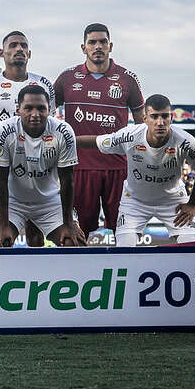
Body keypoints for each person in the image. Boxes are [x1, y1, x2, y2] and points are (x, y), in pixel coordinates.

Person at [76, 94, 195, 246]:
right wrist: (68, 141)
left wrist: (192, 204)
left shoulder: (186, 142)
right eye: (154, 117)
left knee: (190, 246)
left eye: (165, 116)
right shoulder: (129, 136)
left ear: (171, 118)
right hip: (135, 201)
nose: (160, 122)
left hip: (172, 201)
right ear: (145, 118)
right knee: (124, 250)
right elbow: (96, 141)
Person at [54, 23, 144, 239]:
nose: (98, 46)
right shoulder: (67, 78)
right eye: (92, 42)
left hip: (118, 168)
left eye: (102, 41)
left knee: (125, 232)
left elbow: (142, 125)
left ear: (110, 46)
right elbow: (45, 114)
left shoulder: (127, 78)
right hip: (79, 167)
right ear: (83, 47)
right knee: (76, 234)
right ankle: (77, 273)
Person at [0, 31, 56, 234]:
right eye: (13, 45)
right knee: (0, 232)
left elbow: (49, 126)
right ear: (2, 52)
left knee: (35, 236)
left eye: (23, 46)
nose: (19, 49)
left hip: (35, 169)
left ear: (29, 53)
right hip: (3, 172)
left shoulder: (44, 85)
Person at [0, 85, 85, 247]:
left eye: (41, 108)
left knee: (73, 243)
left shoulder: (63, 132)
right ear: (18, 110)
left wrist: (69, 223)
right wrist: (3, 224)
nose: (35, 114)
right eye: (28, 108)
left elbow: (67, 180)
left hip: (49, 202)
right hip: (13, 202)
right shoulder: (3, 132)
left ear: (49, 110)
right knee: (0, 242)